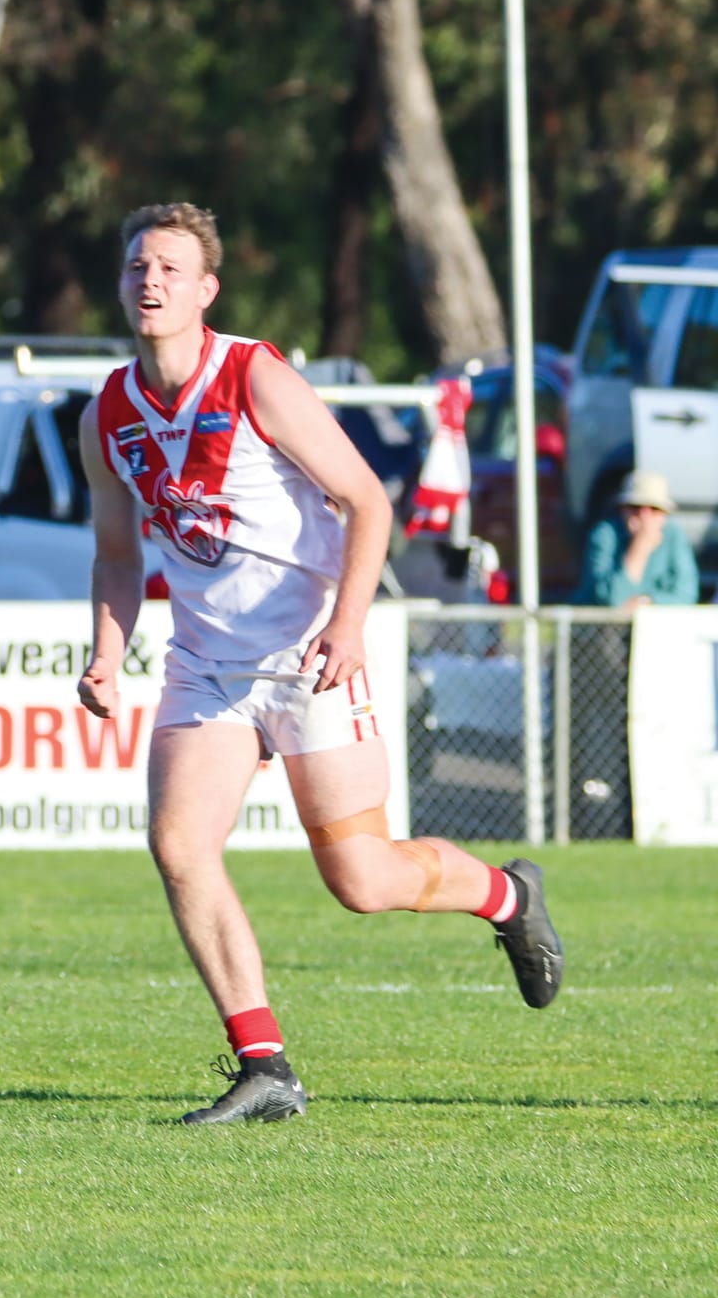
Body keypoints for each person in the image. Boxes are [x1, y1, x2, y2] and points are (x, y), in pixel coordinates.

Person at [76, 203, 564, 1126]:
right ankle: (265, 1066)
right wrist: (107, 652)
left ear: (206, 290)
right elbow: (113, 553)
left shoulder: (254, 373)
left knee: (363, 881)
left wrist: (348, 626)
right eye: (139, 265)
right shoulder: (106, 411)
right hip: (207, 666)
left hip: (309, 656)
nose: (152, 281)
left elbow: (366, 501)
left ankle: (505, 893)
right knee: (179, 846)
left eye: (173, 269)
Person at [580, 471, 699, 608]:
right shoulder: (605, 534)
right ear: (623, 509)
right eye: (635, 507)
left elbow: (687, 594)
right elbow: (612, 600)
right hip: (605, 627)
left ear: (664, 514)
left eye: (654, 509)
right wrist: (639, 549)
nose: (644, 515)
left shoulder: (674, 535)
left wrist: (647, 602)